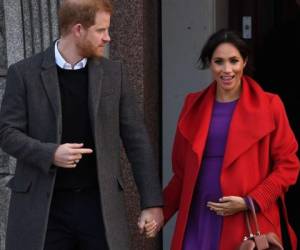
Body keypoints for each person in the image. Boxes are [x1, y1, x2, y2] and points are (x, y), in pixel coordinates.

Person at [0, 0, 163, 249]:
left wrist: (151, 203)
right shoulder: (23, 73)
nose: (107, 38)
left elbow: (137, 139)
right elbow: (7, 133)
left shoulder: (114, 74)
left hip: (99, 207)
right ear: (78, 29)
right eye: (101, 30)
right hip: (44, 208)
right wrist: (50, 153)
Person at [147, 29, 299, 249]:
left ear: (244, 62)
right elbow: (181, 175)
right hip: (199, 218)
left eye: (234, 61)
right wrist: (160, 211)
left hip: (246, 221)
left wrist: (251, 201)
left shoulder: (270, 105)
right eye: (219, 62)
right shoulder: (192, 106)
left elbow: (289, 165)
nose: (227, 70)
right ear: (210, 63)